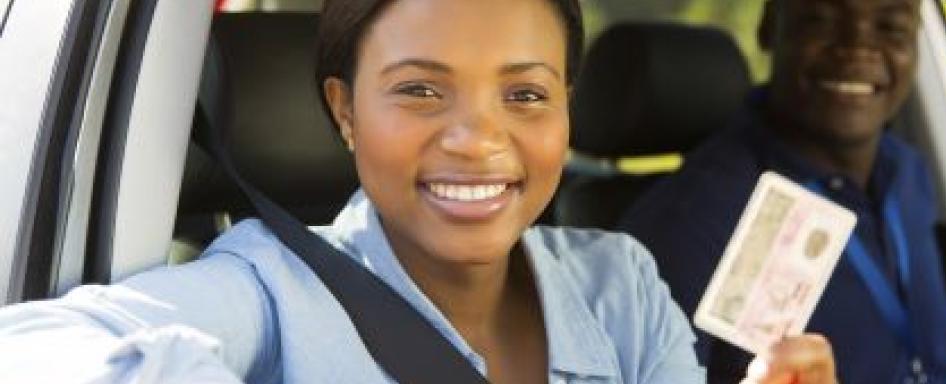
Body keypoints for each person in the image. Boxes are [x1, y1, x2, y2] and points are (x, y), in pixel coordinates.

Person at [0, 0, 838, 383]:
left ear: (565, 112)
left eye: (525, 94)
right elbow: (30, 348)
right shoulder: (270, 286)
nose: (478, 140)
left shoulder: (621, 284)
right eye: (420, 90)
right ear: (345, 111)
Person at [622, 0, 946, 382]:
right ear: (770, 27)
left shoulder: (907, 173)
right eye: (820, 20)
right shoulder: (694, 219)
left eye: (890, 27)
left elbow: (925, 344)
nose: (855, 46)